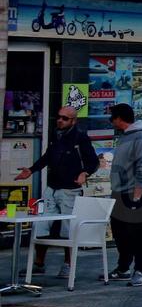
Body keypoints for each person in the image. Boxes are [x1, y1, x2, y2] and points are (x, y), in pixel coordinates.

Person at [17, 105, 99, 278]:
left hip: (69, 189)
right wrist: (31, 170)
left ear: (73, 120)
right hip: (52, 187)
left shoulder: (80, 138)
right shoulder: (56, 134)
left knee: (68, 228)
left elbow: (93, 161)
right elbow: (48, 156)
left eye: (64, 118)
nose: (60, 120)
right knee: (41, 223)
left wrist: (85, 173)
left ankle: (68, 264)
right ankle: (39, 263)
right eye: (59, 117)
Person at [105, 103, 142, 287]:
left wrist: (137, 194)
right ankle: (123, 267)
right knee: (119, 230)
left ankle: (140, 270)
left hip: (133, 191)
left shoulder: (141, 137)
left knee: (137, 231)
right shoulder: (125, 137)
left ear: (119, 118)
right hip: (119, 190)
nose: (111, 122)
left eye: (113, 119)